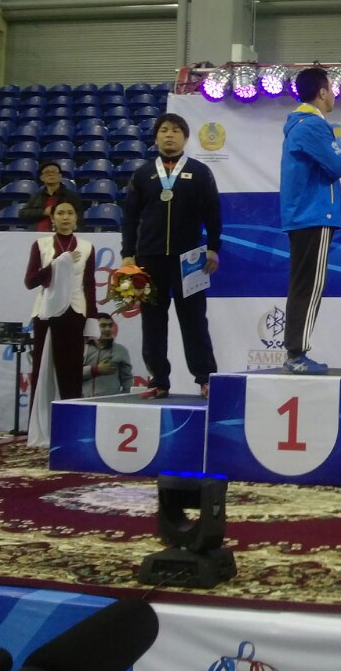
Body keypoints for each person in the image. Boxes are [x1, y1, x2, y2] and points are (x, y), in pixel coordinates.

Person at [121, 113, 221, 399]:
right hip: (149, 259)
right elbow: (130, 217)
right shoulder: (142, 174)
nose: (169, 135)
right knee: (152, 321)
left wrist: (213, 247)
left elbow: (213, 213)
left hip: (190, 259)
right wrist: (128, 254)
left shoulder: (200, 172)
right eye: (164, 130)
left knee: (194, 321)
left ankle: (205, 378)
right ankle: (159, 381)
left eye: (176, 130)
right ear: (155, 137)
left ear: (185, 138)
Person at [279, 67, 341, 375]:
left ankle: (294, 352)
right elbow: (338, 165)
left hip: (305, 214)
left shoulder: (300, 124)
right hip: (314, 214)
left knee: (303, 284)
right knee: (310, 285)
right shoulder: (312, 125)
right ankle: (296, 353)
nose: (334, 95)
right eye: (331, 89)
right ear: (322, 92)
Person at [24, 199, 98, 447]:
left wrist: (92, 319)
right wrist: (58, 263)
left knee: (72, 372)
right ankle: (40, 428)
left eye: (70, 213)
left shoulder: (87, 247)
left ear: (76, 218)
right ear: (52, 218)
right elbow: (31, 281)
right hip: (46, 313)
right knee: (42, 370)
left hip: (75, 311)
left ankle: (71, 429)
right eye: (60, 213)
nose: (65, 217)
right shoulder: (41, 245)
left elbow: (89, 285)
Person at [19, 161, 82, 231]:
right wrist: (43, 212)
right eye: (47, 172)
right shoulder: (37, 195)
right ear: (41, 178)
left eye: (54, 171)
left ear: (60, 176)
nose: (51, 174)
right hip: (37, 233)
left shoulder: (71, 196)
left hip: (61, 233)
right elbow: (23, 213)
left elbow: (78, 218)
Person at [83, 316, 135, 397]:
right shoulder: (82, 349)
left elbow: (127, 379)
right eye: (103, 325)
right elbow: (70, 375)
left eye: (110, 325)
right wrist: (96, 370)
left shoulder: (120, 350)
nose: (108, 329)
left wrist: (125, 398)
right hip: (82, 401)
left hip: (110, 402)